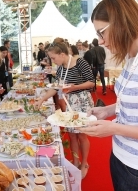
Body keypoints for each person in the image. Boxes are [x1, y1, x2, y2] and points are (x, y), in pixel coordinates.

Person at [77, 0, 138, 190]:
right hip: (120, 156)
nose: (100, 41)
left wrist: (113, 128)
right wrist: (108, 111)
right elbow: (136, 102)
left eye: (102, 32)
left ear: (120, 22)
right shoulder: (131, 56)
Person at [34, 42, 95, 179]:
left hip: (82, 102)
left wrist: (74, 87)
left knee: (82, 135)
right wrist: (42, 99)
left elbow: (91, 82)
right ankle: (75, 161)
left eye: (54, 58)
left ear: (62, 54)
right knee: (72, 135)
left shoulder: (81, 63)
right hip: (69, 103)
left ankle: (84, 163)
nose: (53, 61)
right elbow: (56, 87)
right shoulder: (61, 68)